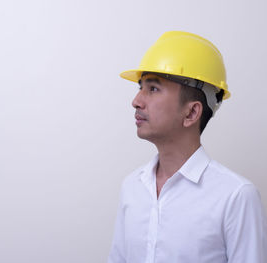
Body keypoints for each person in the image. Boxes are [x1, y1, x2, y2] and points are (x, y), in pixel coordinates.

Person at [108, 31, 267, 263]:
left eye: (153, 89)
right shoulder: (132, 187)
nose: (136, 101)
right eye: (140, 87)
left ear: (192, 112)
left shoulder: (236, 197)